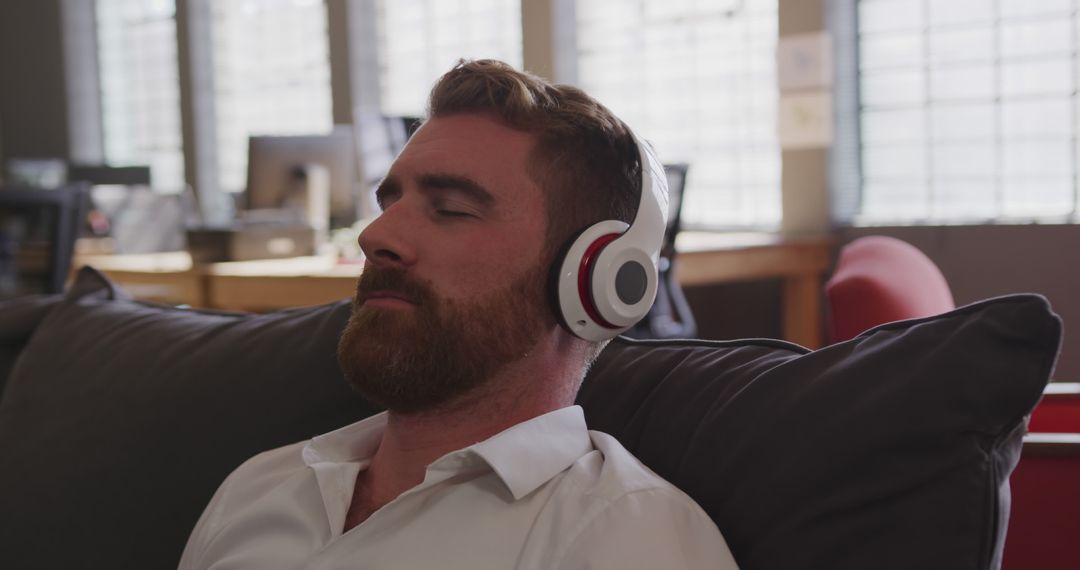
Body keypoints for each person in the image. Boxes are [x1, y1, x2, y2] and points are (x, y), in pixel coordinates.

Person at [179, 59, 739, 570]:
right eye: (389, 203)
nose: (377, 235)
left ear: (596, 280)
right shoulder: (257, 489)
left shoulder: (626, 539)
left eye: (450, 209)